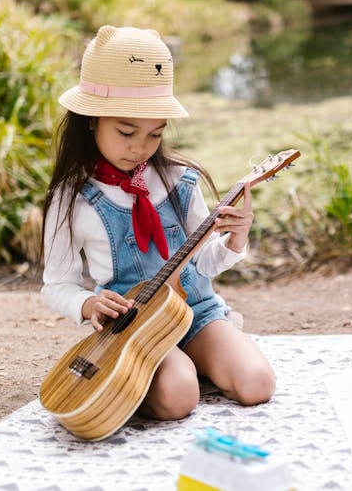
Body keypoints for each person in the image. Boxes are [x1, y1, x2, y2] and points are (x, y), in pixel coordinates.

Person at [41, 25, 275, 421]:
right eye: (126, 131)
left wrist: (235, 239)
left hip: (197, 312)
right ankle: (157, 372)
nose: (140, 147)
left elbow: (203, 263)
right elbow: (56, 286)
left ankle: (197, 355)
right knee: (178, 399)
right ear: (90, 120)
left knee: (257, 384)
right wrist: (87, 303)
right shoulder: (72, 198)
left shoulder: (180, 179)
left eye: (155, 134)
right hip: (133, 325)